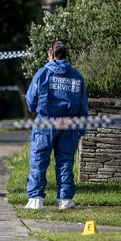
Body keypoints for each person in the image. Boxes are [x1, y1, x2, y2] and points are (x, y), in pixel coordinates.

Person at [24, 41, 88, 210]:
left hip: (46, 122)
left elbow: (31, 101)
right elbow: (83, 105)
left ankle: (36, 199)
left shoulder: (43, 73)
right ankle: (65, 200)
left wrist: (34, 110)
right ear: (65, 55)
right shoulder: (76, 76)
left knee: (39, 159)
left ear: (51, 55)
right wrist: (81, 128)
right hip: (69, 124)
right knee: (66, 161)